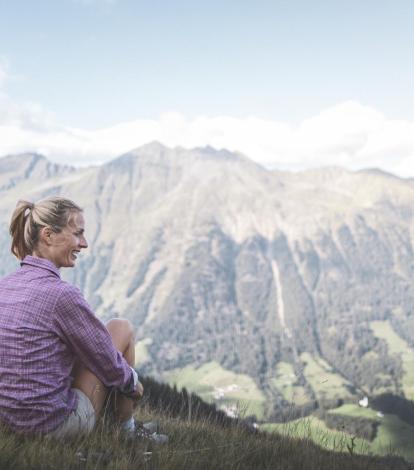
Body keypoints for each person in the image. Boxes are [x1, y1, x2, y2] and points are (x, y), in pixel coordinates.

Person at [0, 197, 146, 439]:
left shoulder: (4, 286)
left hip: (6, 423)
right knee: (121, 328)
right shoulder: (61, 295)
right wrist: (133, 384)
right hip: (50, 427)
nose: (84, 243)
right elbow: (106, 359)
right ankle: (127, 432)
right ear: (48, 235)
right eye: (78, 234)